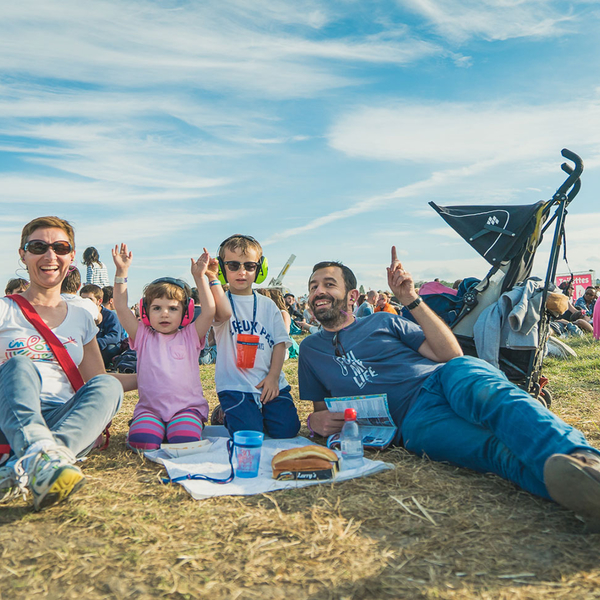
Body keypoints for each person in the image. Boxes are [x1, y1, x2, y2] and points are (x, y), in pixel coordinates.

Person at [298, 248, 600, 531]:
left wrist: (411, 299)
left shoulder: (383, 321)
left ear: (351, 296)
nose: (318, 292)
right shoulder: (310, 350)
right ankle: (583, 492)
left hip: (445, 377)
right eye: (313, 287)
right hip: (413, 422)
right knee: (493, 452)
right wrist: (315, 422)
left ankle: (583, 459)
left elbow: (449, 354)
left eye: (328, 284)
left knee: (499, 400)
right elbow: (322, 414)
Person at [0, 216, 123, 511]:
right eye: (38, 246)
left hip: (61, 416)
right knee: (20, 366)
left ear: (71, 256)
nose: (50, 255)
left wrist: (153, 376)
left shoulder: (81, 316)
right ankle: (42, 458)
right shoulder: (4, 309)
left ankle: (31, 461)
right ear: (23, 254)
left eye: (60, 247)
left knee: (108, 386)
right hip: (10, 412)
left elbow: (95, 378)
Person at [111, 243, 222, 451]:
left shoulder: (190, 335)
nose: (164, 313)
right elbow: (120, 306)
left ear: (186, 313)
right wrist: (121, 272)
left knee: (184, 439)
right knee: (143, 441)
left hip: (186, 409)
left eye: (173, 308)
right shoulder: (142, 335)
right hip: (150, 410)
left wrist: (200, 277)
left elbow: (209, 311)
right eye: (156, 308)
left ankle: (181, 425)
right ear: (145, 312)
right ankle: (147, 425)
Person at [211, 235, 300, 438]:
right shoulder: (221, 303)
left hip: (268, 381)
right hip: (235, 385)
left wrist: (273, 377)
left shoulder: (268, 305)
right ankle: (224, 413)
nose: (241, 272)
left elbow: (279, 343)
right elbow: (220, 314)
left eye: (249, 266)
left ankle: (255, 414)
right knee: (250, 433)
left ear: (260, 269)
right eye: (233, 265)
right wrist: (211, 277)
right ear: (223, 270)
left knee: (287, 430)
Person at [80, 284, 127, 368]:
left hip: (105, 346)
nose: (86, 303)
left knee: (110, 349)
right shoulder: (80, 315)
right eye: (83, 299)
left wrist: (97, 343)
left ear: (99, 301)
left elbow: (114, 336)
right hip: (87, 346)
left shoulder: (110, 315)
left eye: (90, 299)